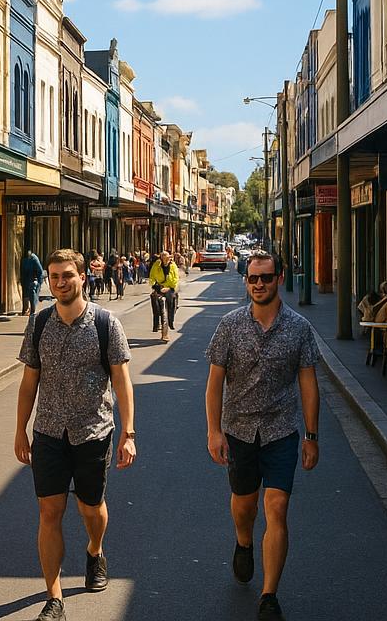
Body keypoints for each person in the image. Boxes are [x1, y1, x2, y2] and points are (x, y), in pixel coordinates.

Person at [15, 249, 136, 621]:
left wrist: (128, 433)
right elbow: (28, 381)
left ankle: (95, 551)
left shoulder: (105, 323)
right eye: (53, 276)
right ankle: (54, 598)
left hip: (93, 431)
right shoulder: (38, 325)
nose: (60, 282)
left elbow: (121, 380)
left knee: (90, 507)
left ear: (83, 277)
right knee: (48, 511)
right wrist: (20, 429)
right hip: (50, 432)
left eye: (67, 275)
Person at [205, 251, 321, 621]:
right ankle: (243, 542)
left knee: (277, 508)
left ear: (279, 278)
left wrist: (311, 435)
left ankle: (269, 596)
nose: (258, 284)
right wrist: (214, 431)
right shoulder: (229, 325)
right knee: (244, 505)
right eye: (253, 278)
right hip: (238, 430)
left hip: (281, 430)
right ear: (246, 281)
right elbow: (214, 383)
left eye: (266, 278)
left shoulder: (300, 328)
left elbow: (308, 383)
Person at [149, 250, 180, 339]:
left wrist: (170, 287)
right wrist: (156, 286)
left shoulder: (173, 265)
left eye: (167, 257)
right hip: (159, 287)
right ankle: (156, 324)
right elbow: (151, 277)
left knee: (170, 304)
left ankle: (170, 321)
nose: (166, 259)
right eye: (163, 257)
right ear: (161, 258)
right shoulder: (156, 265)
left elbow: (175, 278)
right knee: (156, 305)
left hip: (169, 288)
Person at [20, 250, 44, 317]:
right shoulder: (24, 259)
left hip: (32, 279)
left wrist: (39, 281)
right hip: (27, 279)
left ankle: (32, 311)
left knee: (32, 293)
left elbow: (40, 271)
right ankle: (26, 310)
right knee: (26, 294)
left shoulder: (33, 258)